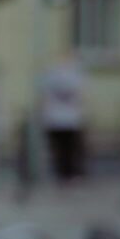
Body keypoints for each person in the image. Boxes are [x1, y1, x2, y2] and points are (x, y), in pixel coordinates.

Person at [40, 54, 88, 184]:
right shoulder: (52, 75)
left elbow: (80, 95)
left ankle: (72, 174)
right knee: (59, 148)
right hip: (56, 118)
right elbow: (45, 96)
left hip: (71, 119)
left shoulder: (75, 75)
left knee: (71, 148)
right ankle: (62, 174)